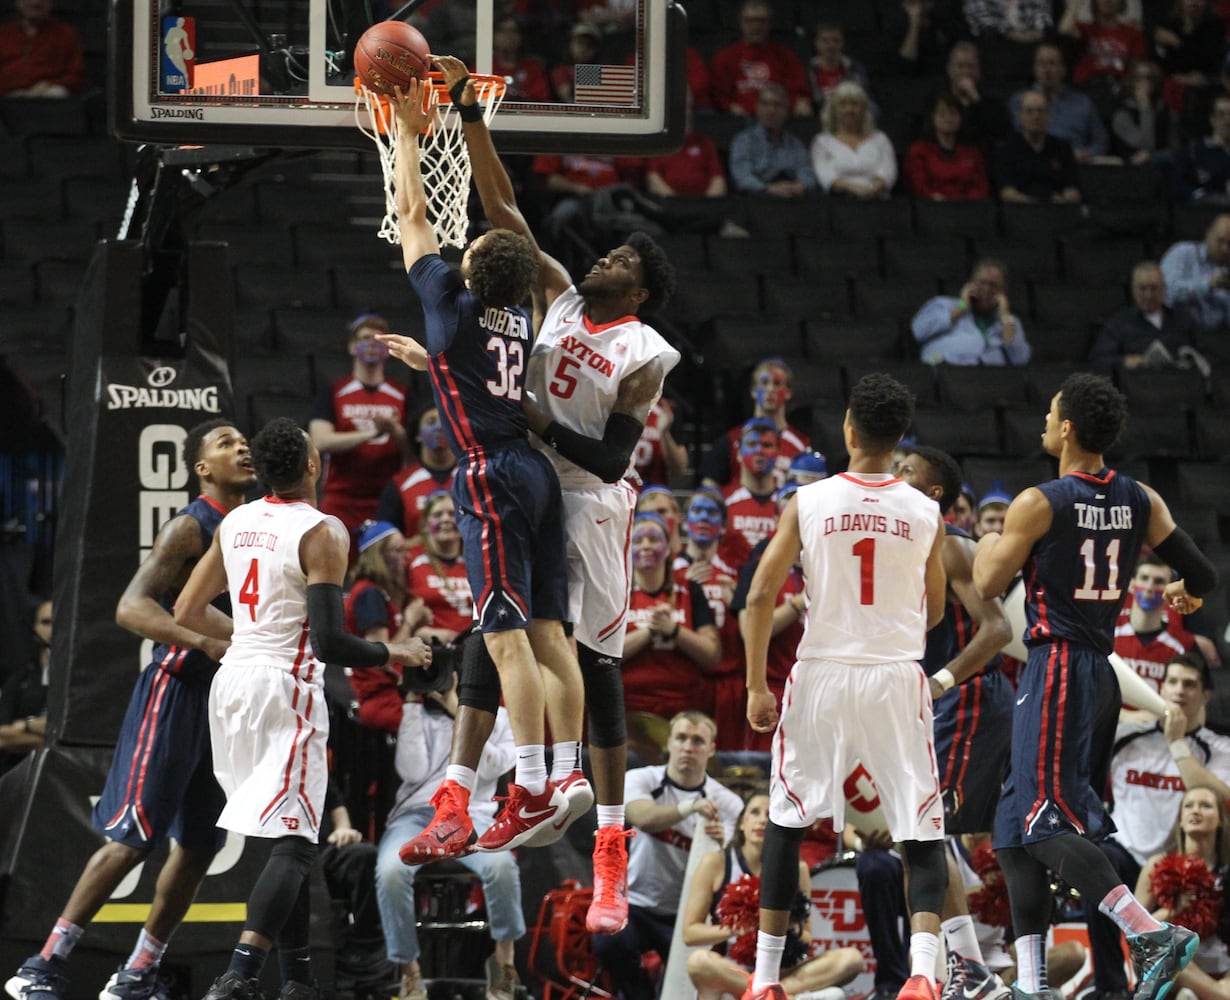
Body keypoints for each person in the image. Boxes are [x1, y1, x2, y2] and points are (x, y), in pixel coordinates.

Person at [390, 61, 681, 940]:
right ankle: (470, 794)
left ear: (637, 290)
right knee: (505, 632)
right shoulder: (546, 297)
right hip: (532, 472)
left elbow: (619, 450)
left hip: (587, 495)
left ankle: (604, 844)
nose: (601, 259)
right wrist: (473, 122)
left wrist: (520, 418)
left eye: (619, 258)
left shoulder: (643, 347)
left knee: (592, 662)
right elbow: (506, 209)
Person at [378, 77, 584, 863]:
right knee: (549, 633)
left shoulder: (451, 300)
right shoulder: (518, 308)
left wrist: (404, 128)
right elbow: (476, 372)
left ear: (466, 273)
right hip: (532, 468)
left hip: (487, 475)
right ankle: (565, 772)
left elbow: (412, 214)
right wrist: (429, 360)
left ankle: (527, 784)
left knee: (506, 646)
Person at [971, 372, 1220, 1000]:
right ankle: (1033, 984)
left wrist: (987, 539)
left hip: (1058, 666)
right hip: (1096, 673)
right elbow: (1203, 573)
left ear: (1069, 429)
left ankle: (1146, 933)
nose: (1044, 425)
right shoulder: (1143, 498)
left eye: (1051, 416)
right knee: (1012, 822)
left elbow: (986, 585)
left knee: (1045, 819)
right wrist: (1186, 594)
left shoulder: (1040, 501)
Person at [173, 418, 430, 1000]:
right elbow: (331, 644)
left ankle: (298, 983)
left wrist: (251, 637)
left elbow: (187, 609)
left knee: (283, 844)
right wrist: (400, 649)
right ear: (314, 466)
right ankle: (238, 974)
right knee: (294, 844)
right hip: (284, 688)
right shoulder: (323, 531)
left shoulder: (234, 521)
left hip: (233, 682)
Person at [4, 421, 255, 1000]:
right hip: (174, 692)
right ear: (201, 469)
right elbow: (129, 607)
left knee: (197, 848)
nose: (241, 447)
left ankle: (137, 971)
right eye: (224, 443)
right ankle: (41, 966)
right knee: (133, 839)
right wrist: (207, 643)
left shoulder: (254, 527)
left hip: (224, 704)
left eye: (244, 440)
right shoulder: (191, 526)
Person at [741, 372, 950, 1000]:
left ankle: (767, 979)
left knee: (786, 816)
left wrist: (757, 684)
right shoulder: (925, 509)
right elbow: (935, 608)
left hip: (823, 672)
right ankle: (919, 974)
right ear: (898, 439)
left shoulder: (807, 501)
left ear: (849, 430)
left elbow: (757, 596)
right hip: (894, 673)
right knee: (918, 823)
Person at [895, 446, 1015, 1000]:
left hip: (964, 696)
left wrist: (941, 682)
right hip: (926, 702)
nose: (894, 476)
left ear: (934, 492)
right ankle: (969, 966)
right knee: (916, 834)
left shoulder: (955, 546)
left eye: (906, 471)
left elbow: (996, 632)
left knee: (925, 831)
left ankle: (972, 967)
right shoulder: (901, 543)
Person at [374, 669, 522, 1000]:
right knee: (391, 870)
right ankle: (409, 971)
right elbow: (411, 770)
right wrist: (412, 704)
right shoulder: (420, 715)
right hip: (417, 815)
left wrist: (461, 710)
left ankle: (504, 963)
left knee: (501, 867)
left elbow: (492, 766)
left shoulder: (501, 719)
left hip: (475, 814)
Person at [1091, 655, 1230, 1000]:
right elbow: (1082, 717)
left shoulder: (1219, 748)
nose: (1179, 691)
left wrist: (1176, 742)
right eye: (1172, 682)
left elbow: (1218, 798)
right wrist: (1127, 713)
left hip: (1181, 860)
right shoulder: (1127, 734)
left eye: (1190, 684)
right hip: (1123, 851)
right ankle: (1111, 988)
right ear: (1160, 687)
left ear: (1206, 695)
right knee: (1094, 863)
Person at [592, 710, 745, 1000]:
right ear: (669, 744)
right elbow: (643, 817)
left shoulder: (728, 803)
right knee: (608, 942)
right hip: (634, 903)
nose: (689, 747)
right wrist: (688, 809)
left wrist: (723, 849)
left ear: (711, 749)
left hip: (686, 914)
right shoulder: (641, 778)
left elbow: (731, 870)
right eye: (682, 738)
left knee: (691, 980)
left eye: (698, 741)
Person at [684, 793, 865, 1000]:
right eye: (755, 812)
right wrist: (740, 927)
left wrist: (789, 926)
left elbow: (806, 935)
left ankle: (768, 992)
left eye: (770, 815)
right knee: (699, 962)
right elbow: (690, 933)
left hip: (784, 970)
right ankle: (783, 996)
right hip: (733, 966)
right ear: (742, 823)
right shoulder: (715, 863)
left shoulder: (798, 868)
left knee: (851, 959)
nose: (762, 819)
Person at [308, 313, 412, 545]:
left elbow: (416, 451)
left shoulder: (402, 394)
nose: (372, 345)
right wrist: (370, 434)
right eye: (365, 338)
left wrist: (394, 431)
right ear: (353, 347)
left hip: (385, 499)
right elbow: (320, 441)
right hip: (341, 499)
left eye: (379, 340)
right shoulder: (334, 392)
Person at [731, 480, 809, 754]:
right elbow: (747, 629)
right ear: (779, 518)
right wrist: (799, 603)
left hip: (819, 685)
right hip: (774, 685)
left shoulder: (829, 563)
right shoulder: (759, 567)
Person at [621, 511, 721, 720]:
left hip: (683, 707)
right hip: (628, 706)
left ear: (668, 549)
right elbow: (603, 655)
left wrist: (674, 630)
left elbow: (712, 655)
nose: (646, 546)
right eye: (638, 540)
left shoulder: (689, 589)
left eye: (654, 539)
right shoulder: (615, 592)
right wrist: (649, 631)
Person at [1135, 786, 1230, 1000]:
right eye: (1189, 806)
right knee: (1175, 957)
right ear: (1180, 819)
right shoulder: (1156, 865)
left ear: (1221, 820)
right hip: (1177, 968)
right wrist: (1172, 910)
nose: (1195, 811)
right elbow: (1133, 931)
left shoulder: (1227, 871)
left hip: (1221, 968)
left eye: (1205, 806)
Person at [676, 489, 746, 751]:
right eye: (697, 511)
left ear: (724, 525)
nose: (704, 517)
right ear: (685, 521)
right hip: (685, 682)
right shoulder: (669, 571)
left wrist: (738, 603)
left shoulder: (735, 574)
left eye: (712, 513)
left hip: (728, 684)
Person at [343, 520, 418, 737]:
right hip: (380, 698)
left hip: (394, 694)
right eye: (398, 550)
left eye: (407, 550)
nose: (407, 557)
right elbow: (382, 656)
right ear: (378, 555)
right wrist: (410, 622)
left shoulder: (380, 592)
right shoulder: (369, 595)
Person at [698, 359, 813, 494]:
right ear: (753, 390)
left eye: (777, 384)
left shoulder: (802, 445)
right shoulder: (732, 440)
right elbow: (709, 487)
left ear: (788, 392)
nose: (770, 389)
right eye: (764, 383)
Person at [911, 259, 1032, 366]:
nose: (986, 289)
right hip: (943, 374)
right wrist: (961, 308)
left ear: (1002, 291)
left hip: (987, 382)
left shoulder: (1010, 322)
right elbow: (919, 331)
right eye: (981, 283)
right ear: (970, 284)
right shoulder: (943, 304)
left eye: (993, 285)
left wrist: (1005, 317)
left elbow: (1020, 360)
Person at [1090, 261, 1204, 371]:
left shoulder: (1183, 320)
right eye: (1142, 288)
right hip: (1138, 386)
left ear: (1164, 289)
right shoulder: (1119, 323)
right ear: (1133, 290)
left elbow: (1206, 355)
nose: (1148, 295)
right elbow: (1099, 358)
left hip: (1181, 384)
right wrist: (1124, 361)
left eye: (1153, 288)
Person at [1009, 43, 1110, 161]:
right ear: (1034, 69)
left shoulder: (1083, 103)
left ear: (1063, 69)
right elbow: (1018, 138)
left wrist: (1087, 154)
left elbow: (1101, 141)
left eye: (1052, 63)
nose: (1046, 69)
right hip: (1036, 163)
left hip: (1077, 164)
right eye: (1041, 64)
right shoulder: (1020, 100)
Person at [1115, 556, 1198, 697]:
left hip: (1160, 717)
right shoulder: (1107, 634)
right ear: (1131, 584)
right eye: (1144, 578)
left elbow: (1199, 696)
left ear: (1171, 591)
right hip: (1109, 718)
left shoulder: (1184, 644)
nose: (1149, 587)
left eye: (1158, 581)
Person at [711, 0, 811, 118]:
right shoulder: (726, 57)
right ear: (741, 23)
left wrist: (800, 103)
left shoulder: (785, 56)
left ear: (770, 24)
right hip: (741, 120)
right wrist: (730, 107)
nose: (756, 26)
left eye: (762, 21)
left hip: (780, 120)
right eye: (750, 21)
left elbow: (798, 92)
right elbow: (719, 94)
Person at [374, 405, 456, 542]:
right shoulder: (399, 485)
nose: (440, 427)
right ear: (418, 435)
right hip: (414, 561)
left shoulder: (472, 479)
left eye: (446, 422)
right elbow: (385, 543)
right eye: (431, 422)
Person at [810, 81, 898, 200]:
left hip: (877, 201)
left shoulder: (880, 139)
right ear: (834, 110)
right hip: (839, 203)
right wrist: (855, 189)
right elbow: (826, 177)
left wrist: (871, 189)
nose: (849, 109)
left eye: (855, 104)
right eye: (843, 104)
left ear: (863, 110)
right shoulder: (822, 142)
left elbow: (888, 173)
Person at [405, 490, 473, 645]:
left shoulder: (475, 561)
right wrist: (426, 634)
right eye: (437, 515)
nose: (446, 519)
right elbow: (395, 612)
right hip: (425, 650)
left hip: (470, 649)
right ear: (424, 524)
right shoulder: (409, 559)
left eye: (452, 514)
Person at [729, 83, 820, 199]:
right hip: (759, 199)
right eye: (765, 104)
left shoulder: (795, 143)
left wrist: (801, 186)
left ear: (786, 111)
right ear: (757, 108)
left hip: (792, 198)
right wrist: (768, 188)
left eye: (777, 105)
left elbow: (807, 173)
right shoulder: (743, 141)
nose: (771, 110)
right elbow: (742, 177)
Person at [996, 91, 1083, 203]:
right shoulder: (1006, 150)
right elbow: (1006, 192)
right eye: (1029, 111)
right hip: (1021, 211)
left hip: (1057, 210)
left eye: (1041, 111)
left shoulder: (1063, 148)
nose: (1036, 116)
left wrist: (1065, 199)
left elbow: (1073, 189)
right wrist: (1034, 203)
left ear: (1049, 116)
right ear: (1020, 116)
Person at [905, 92, 992, 201]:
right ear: (932, 118)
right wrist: (935, 197)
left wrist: (968, 201)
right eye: (942, 114)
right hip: (932, 208)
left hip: (969, 208)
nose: (948, 118)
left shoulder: (972, 152)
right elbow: (918, 184)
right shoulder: (919, 150)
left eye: (953, 113)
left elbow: (981, 185)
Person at [1160, 213, 1230, 339]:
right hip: (1175, 334)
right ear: (1208, 233)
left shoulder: (1226, 271)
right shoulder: (1183, 252)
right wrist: (1208, 285)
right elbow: (1166, 293)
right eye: (1220, 241)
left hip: (1214, 341)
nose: (1225, 249)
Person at [0, 597, 50, 772]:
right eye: (46, 622)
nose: (53, 629)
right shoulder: (21, 678)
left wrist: (24, 726)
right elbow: (2, 734)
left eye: (58, 622)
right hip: (15, 770)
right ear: (35, 627)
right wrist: (36, 728)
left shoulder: (81, 679)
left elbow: (70, 732)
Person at [938, 42, 1012, 155]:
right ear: (949, 69)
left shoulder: (992, 104)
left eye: (971, 67)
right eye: (960, 66)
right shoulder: (937, 101)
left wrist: (975, 98)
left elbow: (1001, 132)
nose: (966, 72)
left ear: (978, 71)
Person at [724, 418, 783, 556]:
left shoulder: (788, 504)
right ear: (738, 453)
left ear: (778, 453)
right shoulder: (722, 502)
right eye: (751, 444)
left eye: (767, 445)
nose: (759, 450)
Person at [0, 0, 84, 97]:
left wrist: (50, 84)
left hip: (47, 96)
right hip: (7, 97)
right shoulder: (3, 34)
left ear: (50, 3)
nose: (35, 3)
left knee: (57, 93)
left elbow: (76, 75)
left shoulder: (66, 35)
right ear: (18, 3)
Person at [1057, 0, 1146, 89]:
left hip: (1118, 89)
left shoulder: (1132, 34)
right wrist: (1076, 4)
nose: (1107, 1)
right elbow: (1064, 30)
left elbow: (1136, 69)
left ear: (1121, 3)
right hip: (1087, 87)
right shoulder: (1085, 29)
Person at [1110, 60, 1181, 163]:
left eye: (1149, 78)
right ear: (1131, 82)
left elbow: (1176, 149)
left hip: (1163, 168)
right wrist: (1145, 107)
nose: (1145, 83)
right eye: (1139, 78)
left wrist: (1155, 156)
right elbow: (1146, 145)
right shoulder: (1122, 114)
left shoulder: (1167, 111)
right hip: (1131, 171)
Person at [1168, 93, 1230, 203]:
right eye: (1221, 114)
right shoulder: (1194, 150)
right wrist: (1199, 194)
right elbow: (1177, 183)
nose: (1227, 120)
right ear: (1212, 118)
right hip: (1205, 209)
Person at [808, 22, 871, 115]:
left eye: (836, 40)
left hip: (850, 109)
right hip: (821, 110)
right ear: (817, 44)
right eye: (825, 41)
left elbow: (862, 95)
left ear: (842, 43)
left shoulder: (854, 67)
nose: (831, 45)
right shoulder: (808, 69)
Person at [490, 14, 551, 102]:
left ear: (520, 36)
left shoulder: (533, 68)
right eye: (503, 31)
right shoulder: (483, 65)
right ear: (493, 36)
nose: (509, 36)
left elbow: (541, 102)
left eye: (513, 31)